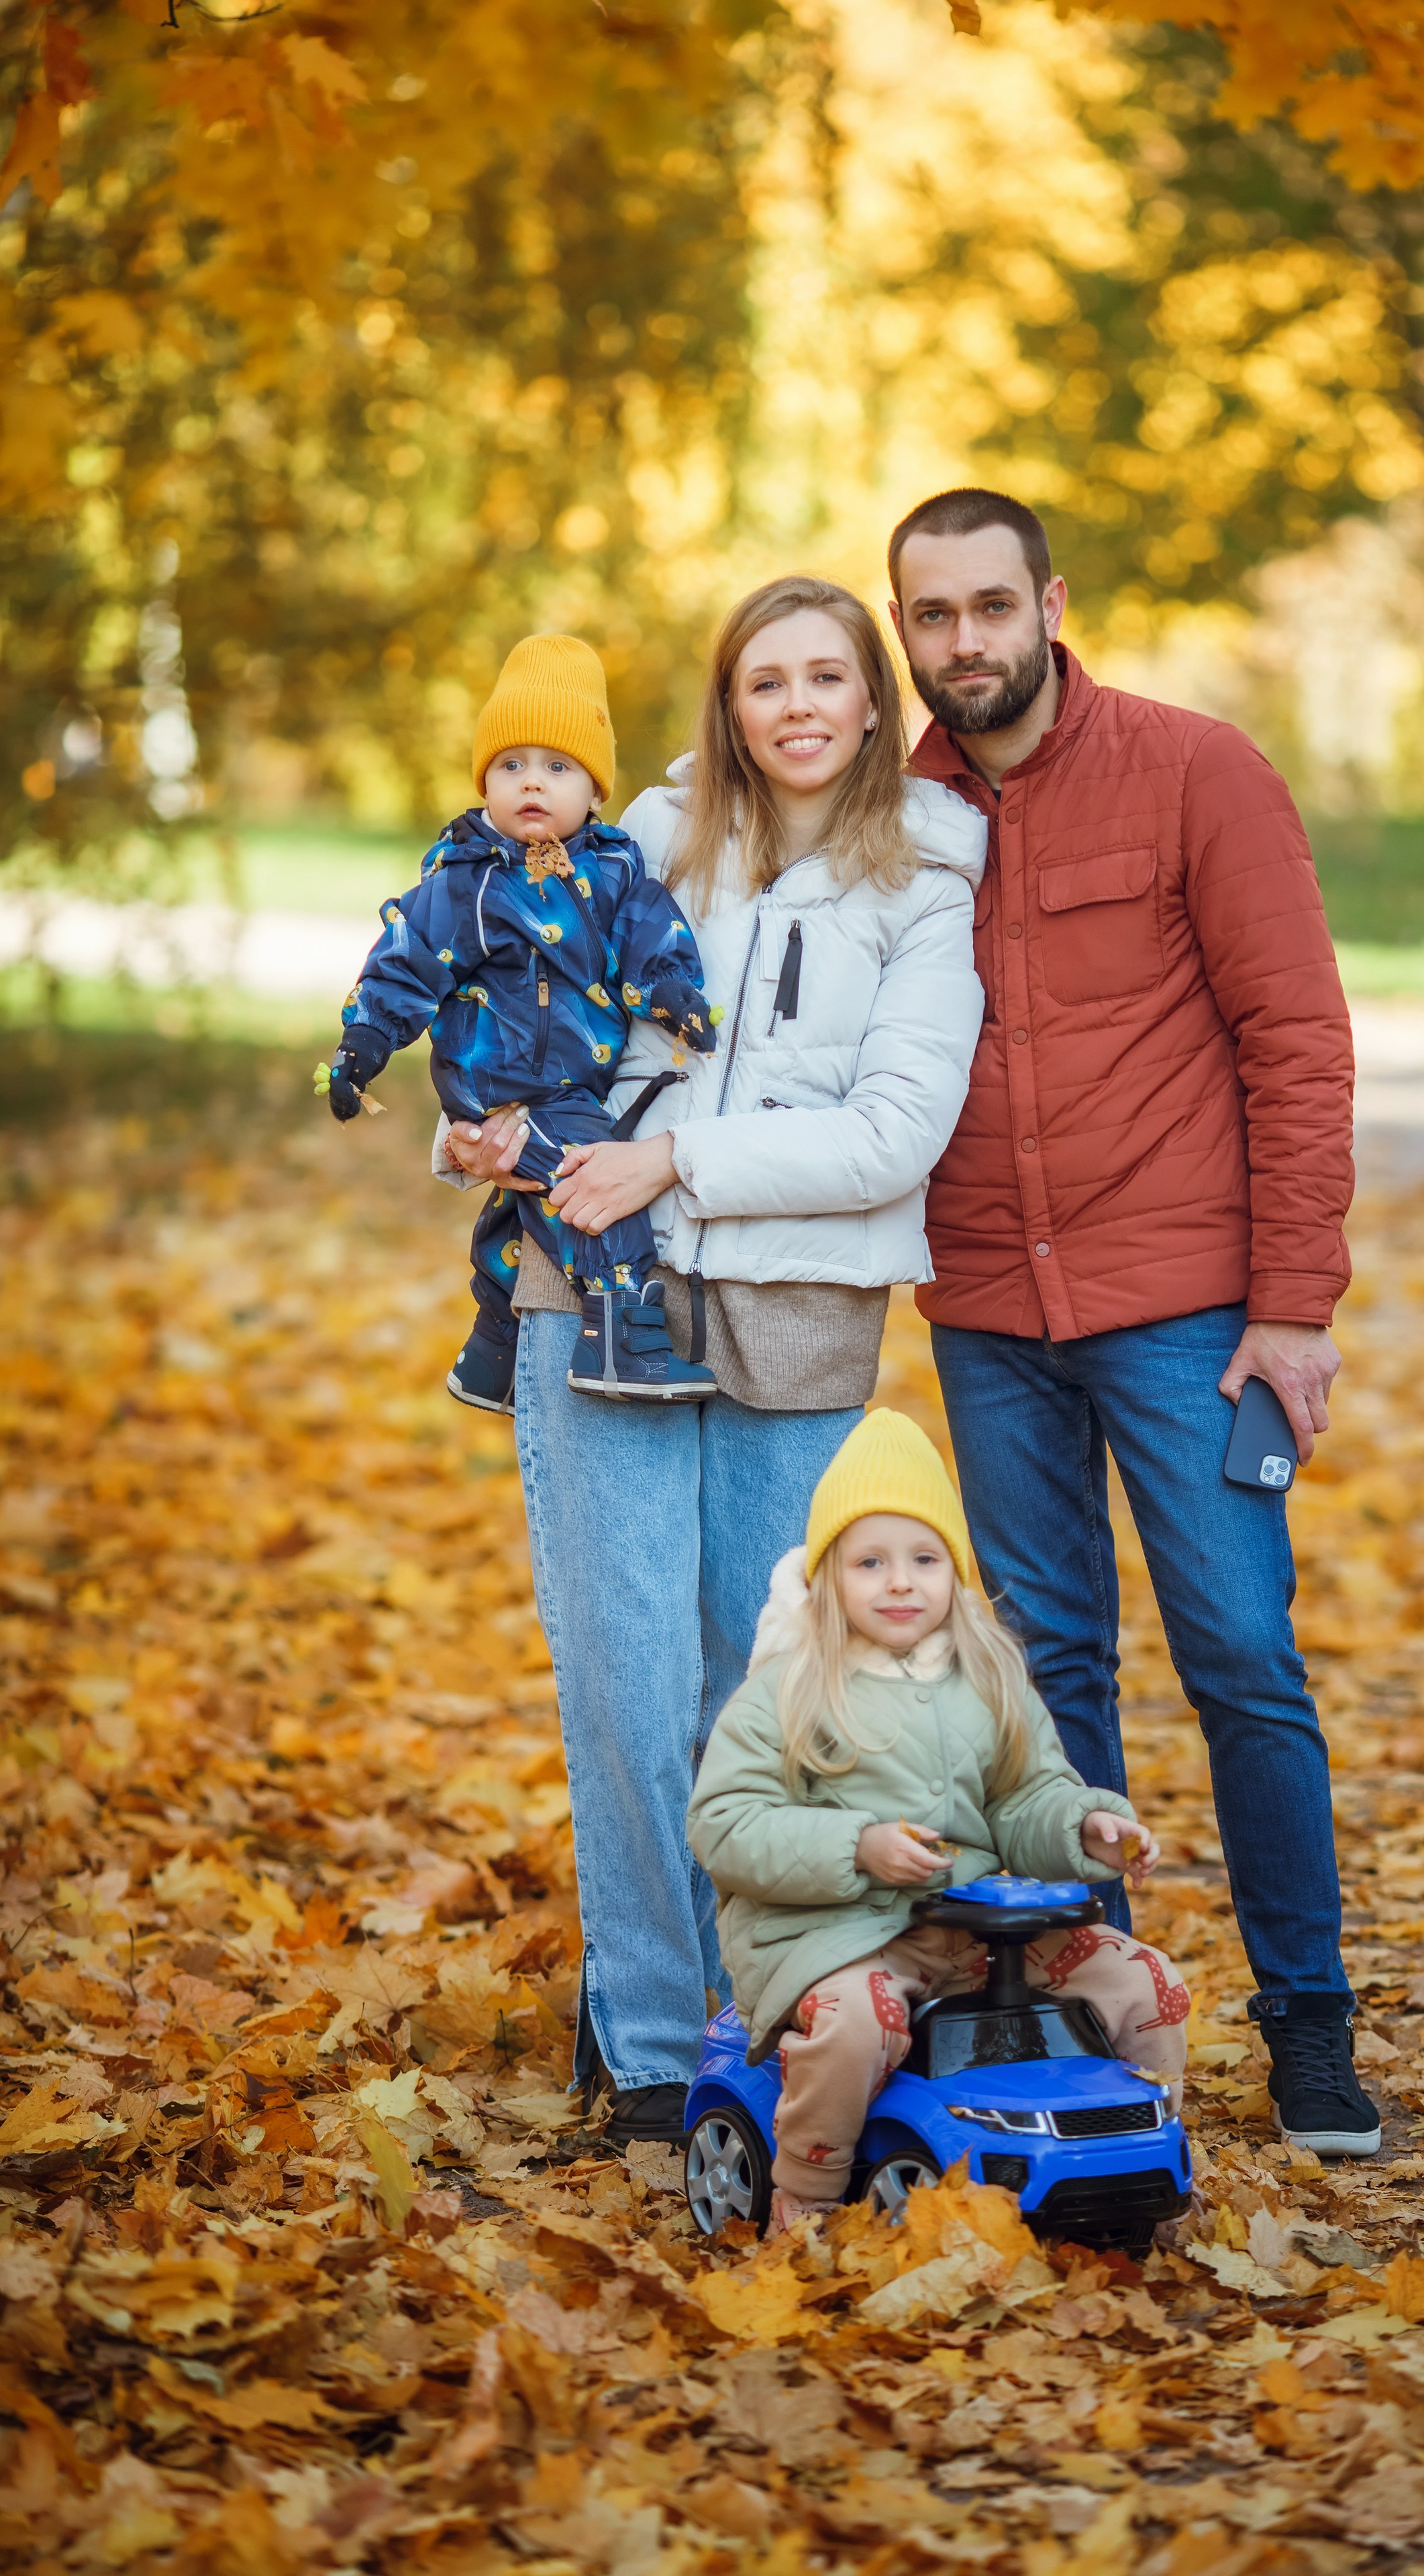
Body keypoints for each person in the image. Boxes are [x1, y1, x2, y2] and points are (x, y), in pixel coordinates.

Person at [434, 578, 988, 2145]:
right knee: (626, 1674)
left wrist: (677, 1161)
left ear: (872, 702)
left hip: (796, 1311)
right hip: (598, 1283)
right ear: (727, 708)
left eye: (826, 677)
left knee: (774, 1685)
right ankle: (650, 2032)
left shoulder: (929, 875)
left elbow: (893, 1132)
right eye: (765, 682)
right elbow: (526, 1011)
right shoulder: (644, 839)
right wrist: (476, 1126)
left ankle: (776, 2007)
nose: (797, 706)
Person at [887, 487, 1380, 2159]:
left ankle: (1306, 2023)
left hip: (1186, 1315)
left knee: (1240, 1656)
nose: (962, 641)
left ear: (1047, 604)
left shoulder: (1193, 771)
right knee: (1048, 1674)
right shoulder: (896, 816)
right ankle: (1102, 2020)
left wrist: (1292, 1305)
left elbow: (1295, 1039)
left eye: (988, 606)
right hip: (986, 1312)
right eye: (930, 615)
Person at [687, 1408, 1189, 2233]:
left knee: (1145, 1980)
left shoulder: (986, 1677)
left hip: (974, 1931)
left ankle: (1141, 2156)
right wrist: (858, 1848)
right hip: (829, 1935)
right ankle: (807, 2195)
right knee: (858, 2024)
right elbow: (725, 1825)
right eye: (870, 1562)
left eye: (924, 1559)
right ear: (826, 1576)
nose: (899, 1583)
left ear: (954, 1572)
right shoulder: (786, 1690)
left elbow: (1025, 1795)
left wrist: (1083, 1828)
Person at [316, 633, 720, 1413]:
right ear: (486, 782)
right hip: (502, 1077)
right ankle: (621, 1335)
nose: (532, 782)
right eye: (511, 765)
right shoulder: (468, 879)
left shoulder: (615, 869)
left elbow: (651, 938)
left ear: (595, 791)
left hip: (573, 1078)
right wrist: (363, 1043)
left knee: (523, 1204)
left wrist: (674, 995)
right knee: (591, 1184)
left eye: (558, 767)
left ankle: (492, 1352)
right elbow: (406, 961)